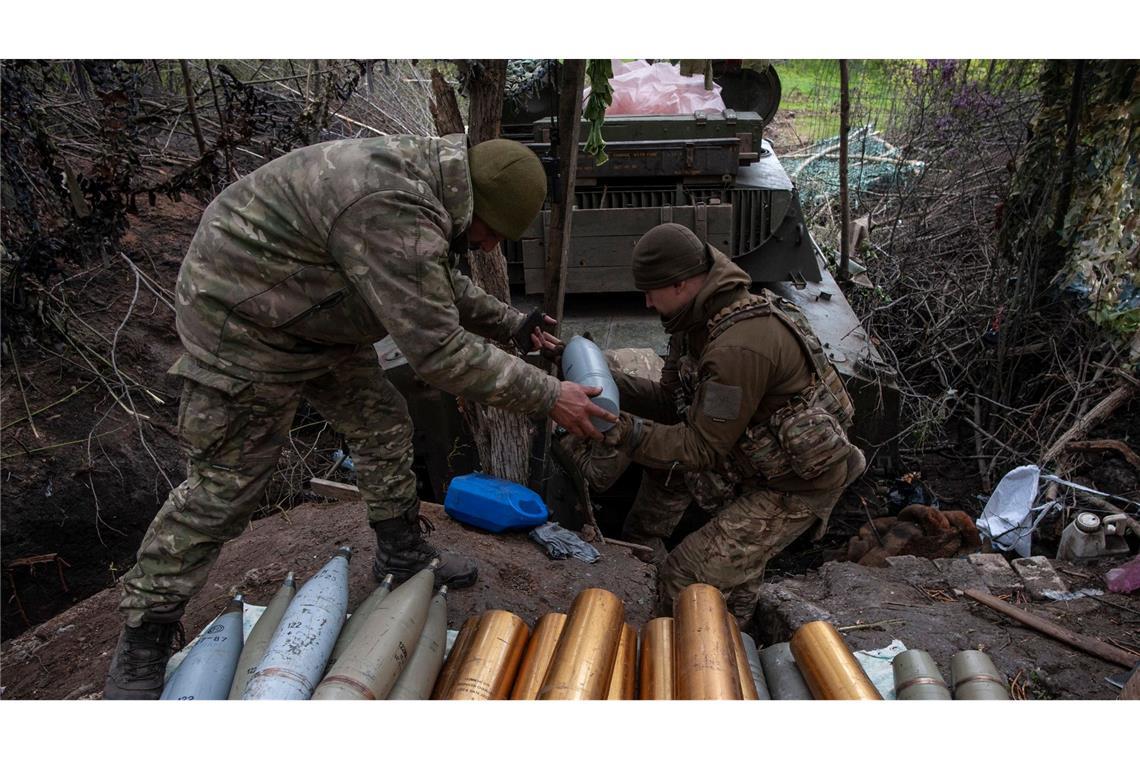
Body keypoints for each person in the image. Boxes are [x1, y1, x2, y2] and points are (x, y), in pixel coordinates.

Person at [103, 134, 615, 699]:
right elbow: (439, 350)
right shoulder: (391, 205)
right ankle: (144, 635)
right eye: (493, 233)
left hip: (316, 309)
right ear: (479, 207)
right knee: (228, 483)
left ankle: (400, 554)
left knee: (382, 421)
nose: (489, 244)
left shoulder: (433, 188)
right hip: (242, 322)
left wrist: (511, 324)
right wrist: (550, 396)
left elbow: (433, 280)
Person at [562, 222, 865, 626]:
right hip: (752, 463)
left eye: (651, 291)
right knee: (714, 554)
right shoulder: (696, 323)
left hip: (794, 487)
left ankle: (707, 657)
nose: (647, 303)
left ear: (682, 284)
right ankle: (736, 623)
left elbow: (700, 449)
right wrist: (601, 379)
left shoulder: (737, 347)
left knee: (684, 577)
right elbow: (671, 404)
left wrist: (620, 429)